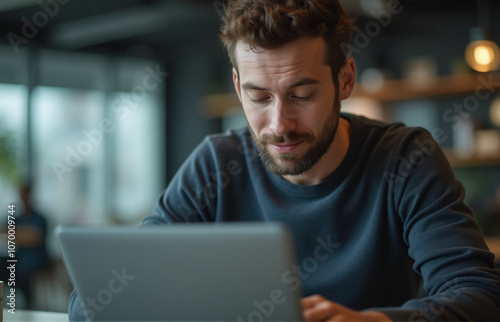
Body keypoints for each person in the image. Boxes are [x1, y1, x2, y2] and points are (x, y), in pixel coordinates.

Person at [69, 0, 500, 321]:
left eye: (302, 95)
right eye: (259, 97)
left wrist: (376, 321)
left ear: (344, 79)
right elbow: (96, 297)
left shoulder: (405, 159)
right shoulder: (217, 165)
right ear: (238, 87)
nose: (280, 124)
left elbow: (479, 294)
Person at [2, 185, 51, 309]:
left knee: (24, 268)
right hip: (20, 256)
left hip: (37, 258)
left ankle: (27, 305)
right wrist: (23, 235)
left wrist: (17, 235)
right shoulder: (15, 218)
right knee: (5, 264)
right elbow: (4, 233)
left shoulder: (40, 218)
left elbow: (35, 238)